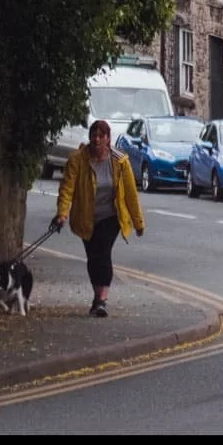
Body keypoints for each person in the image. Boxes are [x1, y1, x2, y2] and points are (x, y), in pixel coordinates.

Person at [54, 119, 145, 317]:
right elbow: (67, 189)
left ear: (108, 139)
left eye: (101, 136)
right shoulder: (77, 159)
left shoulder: (120, 161)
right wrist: (62, 213)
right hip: (85, 216)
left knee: (103, 252)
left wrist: (138, 222)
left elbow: (130, 194)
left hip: (110, 216)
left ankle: (102, 299)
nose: (97, 139)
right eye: (94, 135)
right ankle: (97, 298)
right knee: (92, 258)